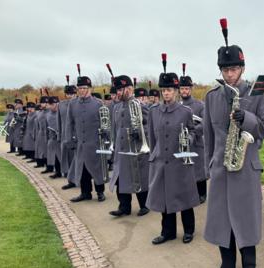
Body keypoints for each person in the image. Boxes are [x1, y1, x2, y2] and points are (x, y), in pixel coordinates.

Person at [203, 18, 264, 268]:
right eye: (225, 70)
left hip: (246, 170)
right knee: (223, 223)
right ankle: (227, 264)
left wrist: (249, 119)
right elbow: (208, 136)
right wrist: (208, 166)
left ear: (242, 68)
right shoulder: (211, 97)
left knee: (247, 223)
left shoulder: (256, 94)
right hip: (221, 170)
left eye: (234, 69)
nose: (229, 74)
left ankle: (249, 264)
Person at [147, 54, 200, 245]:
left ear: (176, 91)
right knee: (164, 200)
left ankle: (189, 230)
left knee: (184, 198)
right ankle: (167, 232)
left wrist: (188, 139)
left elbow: (194, 132)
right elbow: (152, 139)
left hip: (180, 162)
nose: (166, 93)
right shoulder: (154, 111)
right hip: (161, 161)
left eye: (169, 90)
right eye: (163, 90)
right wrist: (155, 156)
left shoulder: (185, 112)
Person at [108, 75, 150, 217]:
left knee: (139, 177)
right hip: (121, 149)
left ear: (130, 89)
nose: (118, 93)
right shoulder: (116, 108)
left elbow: (149, 126)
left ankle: (145, 205)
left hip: (136, 148)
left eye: (121, 89)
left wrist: (139, 132)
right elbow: (115, 129)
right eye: (117, 90)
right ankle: (124, 207)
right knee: (121, 179)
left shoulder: (140, 105)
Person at [65, 73, 106, 202]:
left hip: (95, 143)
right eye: (80, 88)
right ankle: (85, 193)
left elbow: (105, 124)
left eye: (84, 88)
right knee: (82, 169)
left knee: (96, 169)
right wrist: (69, 140)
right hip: (79, 143)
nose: (82, 91)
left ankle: (100, 192)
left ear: (90, 89)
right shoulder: (72, 104)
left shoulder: (99, 104)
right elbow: (69, 123)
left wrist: (105, 142)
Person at [179, 63, 207, 203]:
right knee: (184, 169)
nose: (184, 91)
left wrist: (193, 131)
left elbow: (205, 122)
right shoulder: (177, 106)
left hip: (196, 142)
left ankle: (202, 194)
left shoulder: (199, 105)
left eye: (186, 88)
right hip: (182, 143)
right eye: (182, 88)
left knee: (198, 170)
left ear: (191, 89)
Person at [58, 82, 78, 189]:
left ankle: (76, 180)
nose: (71, 96)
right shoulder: (60, 105)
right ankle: (70, 179)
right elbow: (59, 121)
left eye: (73, 94)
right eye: (69, 94)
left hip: (76, 136)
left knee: (76, 159)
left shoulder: (78, 104)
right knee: (66, 157)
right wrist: (59, 136)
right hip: (65, 135)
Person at [46, 96, 62, 179]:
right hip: (53, 138)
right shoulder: (48, 114)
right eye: (51, 104)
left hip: (62, 137)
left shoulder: (62, 112)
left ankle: (67, 172)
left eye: (56, 104)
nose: (54, 106)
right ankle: (58, 172)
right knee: (55, 156)